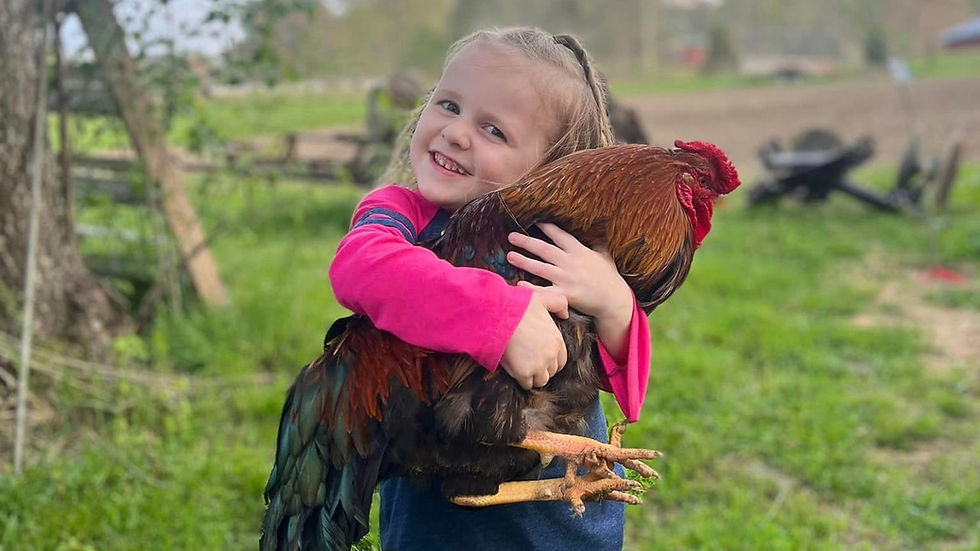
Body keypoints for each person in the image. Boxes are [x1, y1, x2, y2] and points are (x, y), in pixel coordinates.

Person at [328, 26, 651, 550]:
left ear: (548, 171)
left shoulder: (558, 243)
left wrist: (614, 303)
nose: (456, 133)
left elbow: (624, 386)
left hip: (559, 523)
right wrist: (499, 317)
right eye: (448, 104)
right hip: (442, 516)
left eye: (494, 131)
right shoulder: (400, 214)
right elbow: (359, 267)